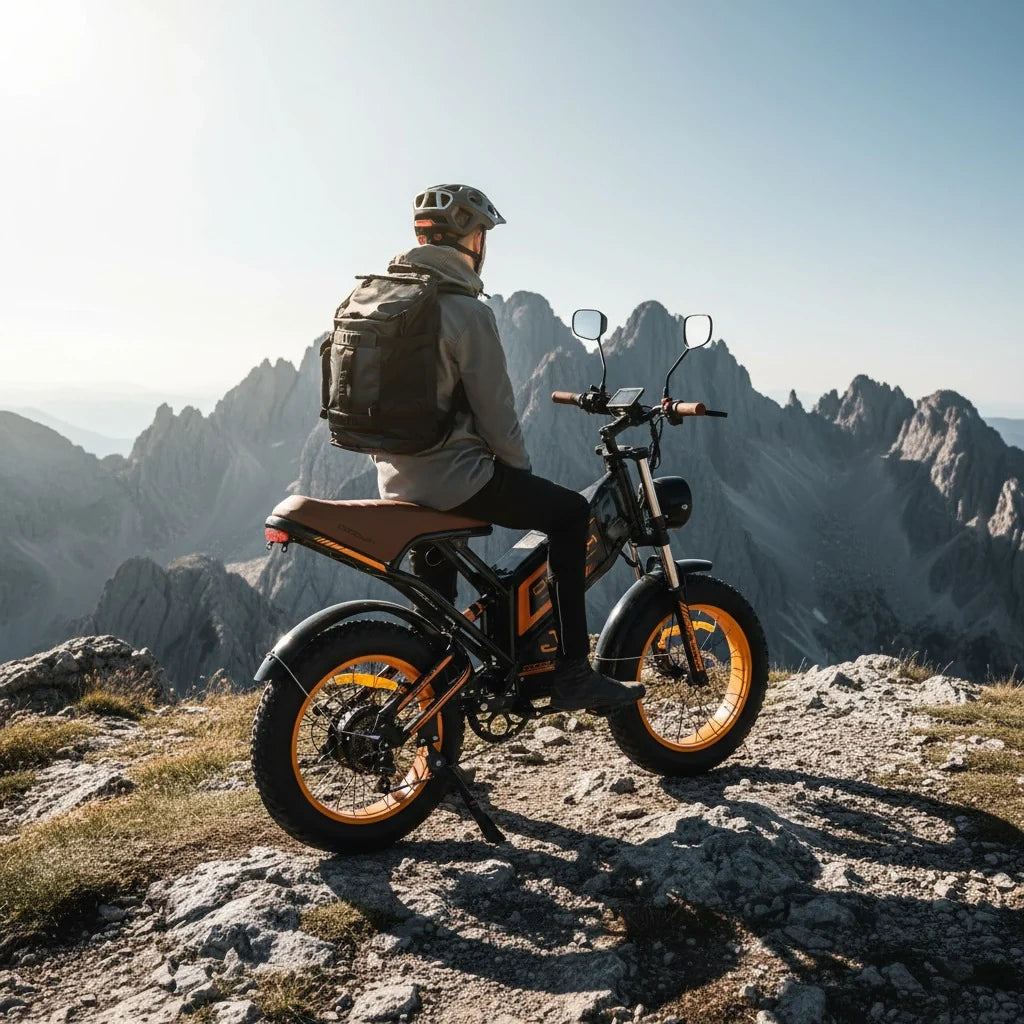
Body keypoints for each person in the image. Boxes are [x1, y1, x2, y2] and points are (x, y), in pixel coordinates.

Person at [372, 183, 644, 712]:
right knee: (570, 514)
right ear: (469, 239)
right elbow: (497, 416)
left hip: (397, 478)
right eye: (482, 234)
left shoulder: (389, 301)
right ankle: (572, 673)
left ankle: (436, 695)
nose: (484, 245)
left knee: (438, 591)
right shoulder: (466, 312)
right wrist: (519, 473)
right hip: (453, 478)